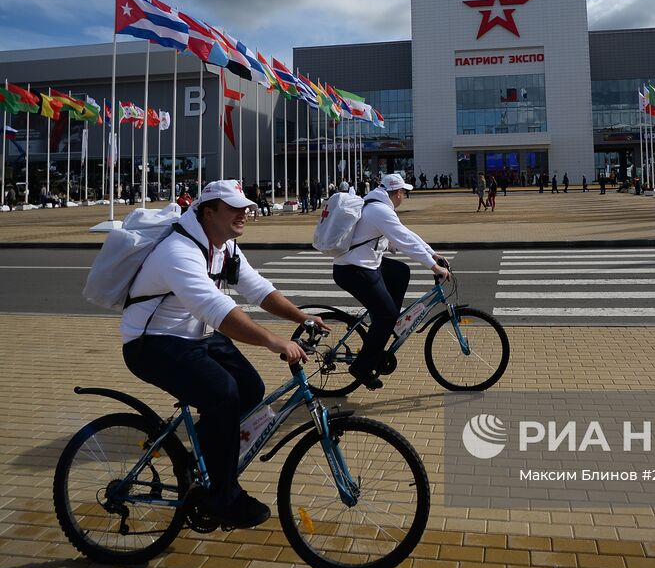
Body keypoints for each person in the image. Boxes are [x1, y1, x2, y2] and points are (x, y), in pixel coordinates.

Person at [122, 180, 326, 530]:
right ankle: (225, 497)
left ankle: (197, 462)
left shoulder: (224, 246)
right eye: (234, 208)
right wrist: (273, 341)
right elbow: (216, 309)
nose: (244, 213)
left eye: (245, 207)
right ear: (208, 212)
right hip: (151, 342)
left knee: (250, 388)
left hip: (195, 334)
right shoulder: (178, 250)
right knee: (223, 392)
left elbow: (257, 288)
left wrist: (301, 317)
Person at [332, 173, 450, 389]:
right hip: (353, 269)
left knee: (400, 272)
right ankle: (362, 367)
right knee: (385, 315)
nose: (404, 196)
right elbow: (405, 241)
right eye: (404, 192)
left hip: (364, 263)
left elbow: (406, 234)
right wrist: (433, 267)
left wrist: (432, 254)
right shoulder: (380, 210)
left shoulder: (376, 204)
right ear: (397, 192)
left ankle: (386, 324)